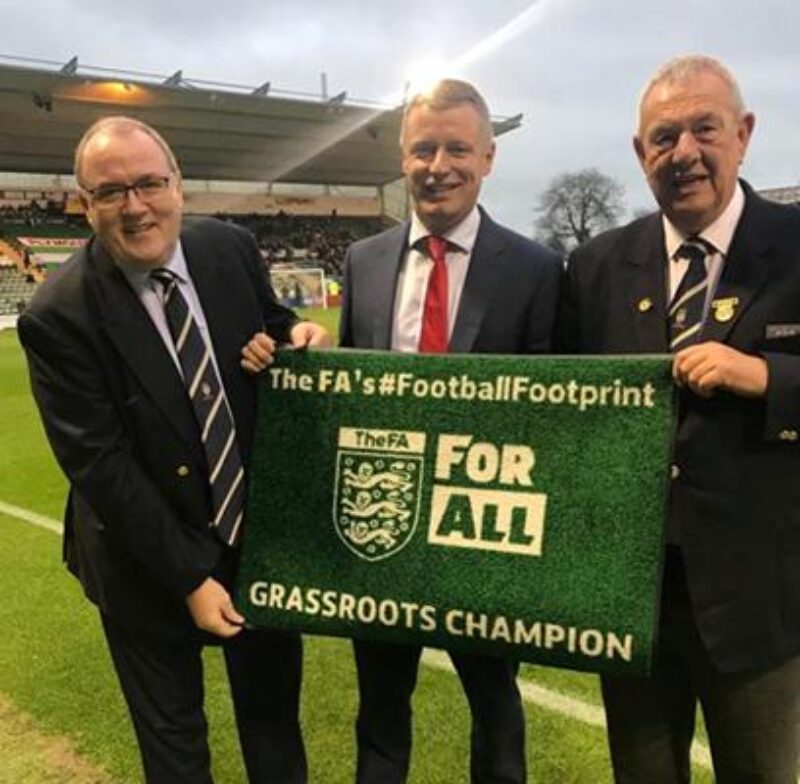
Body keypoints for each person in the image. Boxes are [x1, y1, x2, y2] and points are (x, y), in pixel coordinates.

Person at [18, 116, 331, 784]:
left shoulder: (229, 249)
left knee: (275, 732)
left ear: (178, 185)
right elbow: (99, 464)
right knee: (177, 757)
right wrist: (189, 576)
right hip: (141, 564)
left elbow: (272, 329)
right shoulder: (58, 314)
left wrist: (299, 336)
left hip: (254, 545)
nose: (135, 206)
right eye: (111, 192)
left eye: (149, 184)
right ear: (85, 204)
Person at [559, 55, 800, 783]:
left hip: (760, 600)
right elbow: (568, 413)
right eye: (664, 137)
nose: (684, 153)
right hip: (632, 601)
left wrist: (763, 375)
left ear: (744, 134)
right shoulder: (597, 265)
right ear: (641, 153)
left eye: (706, 129)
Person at [339, 79, 561, 784]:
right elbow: (349, 395)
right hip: (390, 526)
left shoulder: (535, 268)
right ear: (402, 158)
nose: (439, 165)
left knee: (495, 707)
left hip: (481, 532)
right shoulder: (364, 261)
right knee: (379, 708)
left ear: (489, 157)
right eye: (423, 148)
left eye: (457, 148)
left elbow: (550, 414)